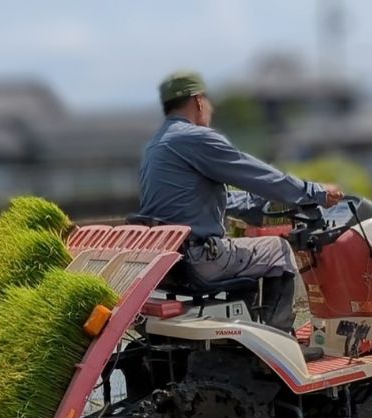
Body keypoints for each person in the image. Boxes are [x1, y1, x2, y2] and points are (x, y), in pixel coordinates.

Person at [137, 71, 343, 341]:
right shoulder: (196, 138)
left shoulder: (156, 146)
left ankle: (246, 331)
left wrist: (264, 204)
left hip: (171, 265)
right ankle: (280, 340)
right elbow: (258, 175)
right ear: (198, 101)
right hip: (200, 259)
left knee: (246, 256)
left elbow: (213, 200)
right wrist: (314, 192)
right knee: (277, 250)